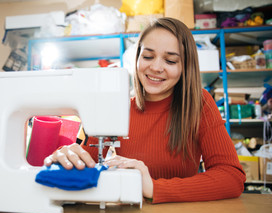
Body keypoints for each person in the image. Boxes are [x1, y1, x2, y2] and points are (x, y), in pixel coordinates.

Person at [44, 17, 246, 203]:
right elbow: (84, 162)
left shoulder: (199, 103)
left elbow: (231, 177)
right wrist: (68, 156)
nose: (156, 67)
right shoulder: (115, 107)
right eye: (148, 56)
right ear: (138, 58)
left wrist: (153, 187)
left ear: (185, 67)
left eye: (170, 61)